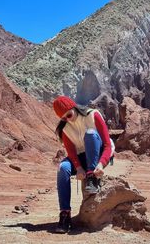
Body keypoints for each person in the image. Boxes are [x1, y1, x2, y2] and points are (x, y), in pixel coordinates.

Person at [53, 95, 114, 233]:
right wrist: (79, 168)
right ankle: (65, 214)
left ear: (73, 107)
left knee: (91, 133)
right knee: (62, 168)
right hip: (80, 158)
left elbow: (107, 145)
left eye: (68, 115)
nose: (67, 119)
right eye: (63, 118)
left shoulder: (92, 115)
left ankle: (92, 177)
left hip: (97, 154)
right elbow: (71, 152)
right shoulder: (65, 129)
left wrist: (101, 164)